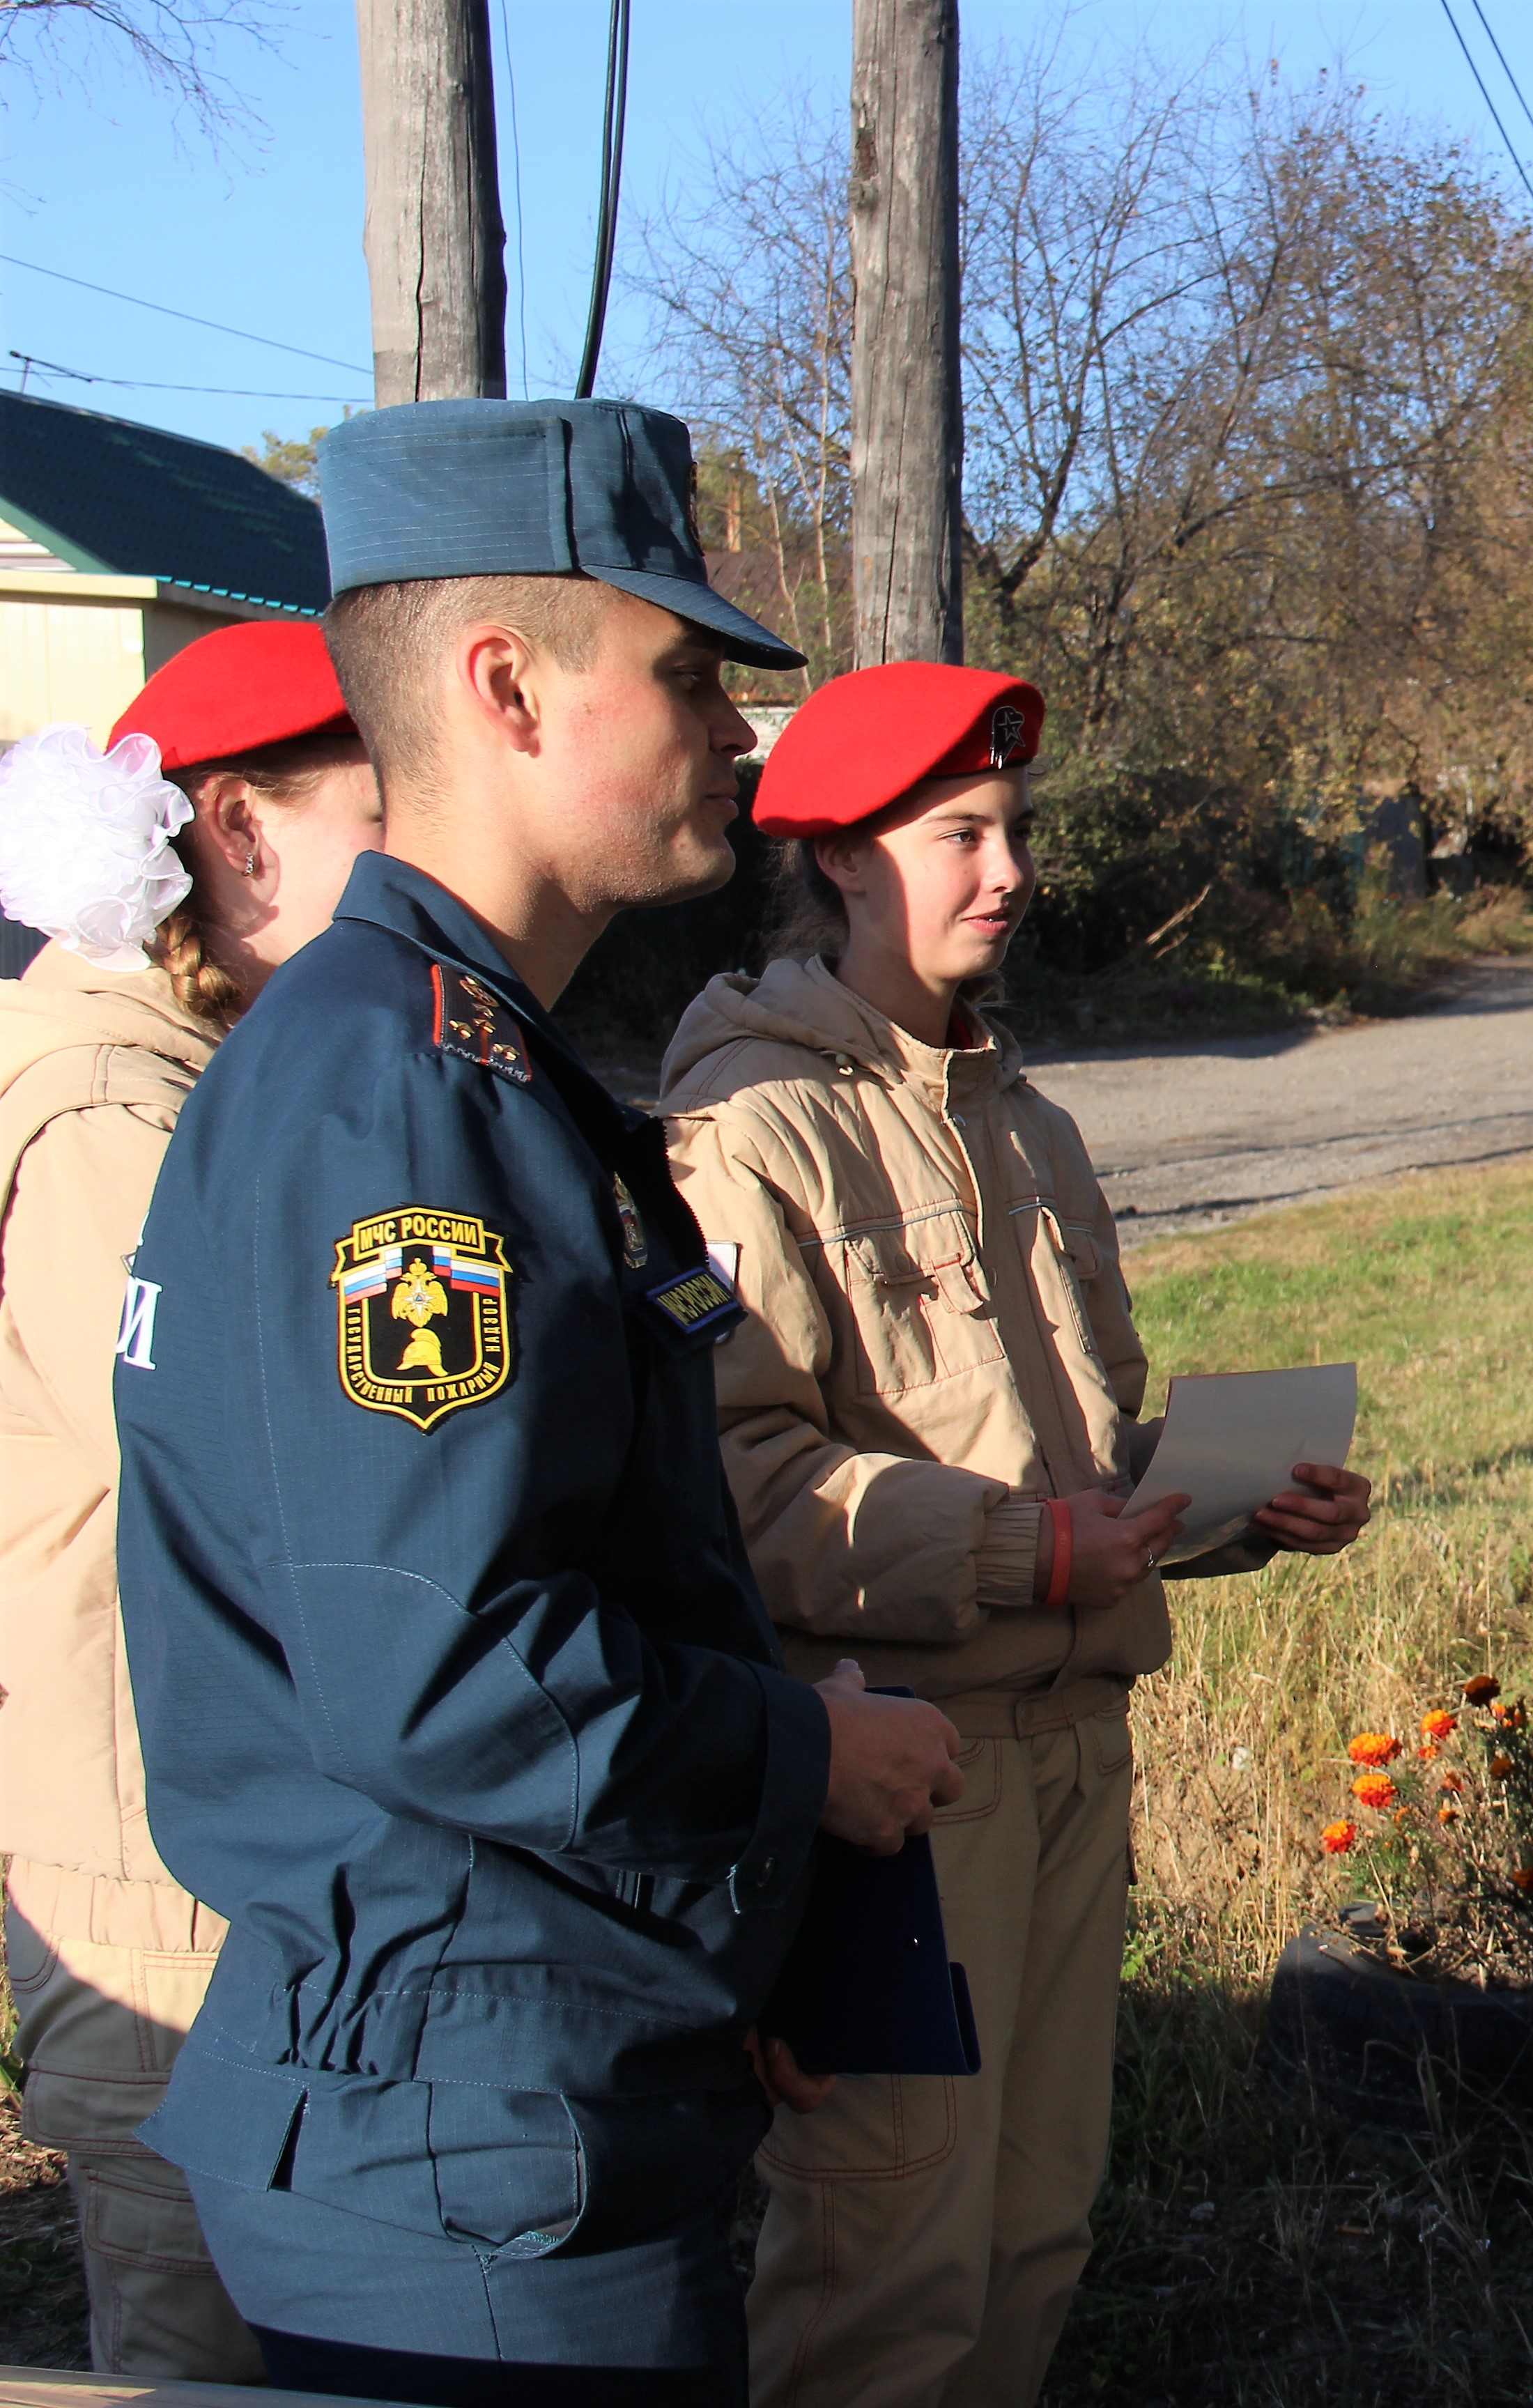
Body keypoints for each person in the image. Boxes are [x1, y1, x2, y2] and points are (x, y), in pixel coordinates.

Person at [107, 399, 969, 2408]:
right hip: (474, 2161)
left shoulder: (463, 1064)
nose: (743, 734)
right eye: (685, 674)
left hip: (527, 2073)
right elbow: (448, 1668)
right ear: (505, 684)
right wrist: (797, 1761)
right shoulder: (408, 1097)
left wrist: (722, 1927)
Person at [658, 661, 1375, 2408]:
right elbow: (728, 1482)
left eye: (1014, 832)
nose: (1007, 870)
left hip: (1075, 1768)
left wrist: (1231, 1506)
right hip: (896, 1790)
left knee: (1032, 2240)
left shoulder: (1030, 1124)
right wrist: (1019, 1555)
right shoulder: (744, 1130)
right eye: (957, 834)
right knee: (878, 2271)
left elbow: (1092, 1445)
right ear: (835, 857)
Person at [0, 622, 385, 2382]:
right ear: (236, 834)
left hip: (221, 1838)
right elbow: (220, 1451)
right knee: (198, 2338)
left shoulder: (188, 1068)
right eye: (384, 821)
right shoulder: (103, 1104)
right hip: (160, 1874)